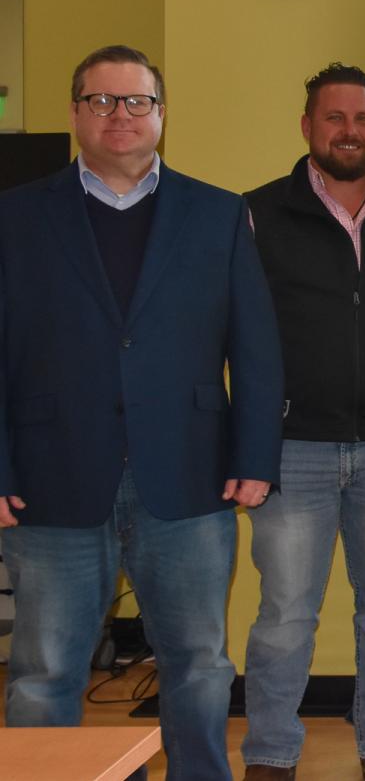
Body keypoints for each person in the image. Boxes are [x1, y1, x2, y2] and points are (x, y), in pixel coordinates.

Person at [0, 45, 283, 780]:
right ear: (74, 113)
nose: (117, 115)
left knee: (197, 663)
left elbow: (254, 344)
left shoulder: (218, 213)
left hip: (187, 474)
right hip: (50, 475)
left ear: (161, 114)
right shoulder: (17, 216)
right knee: (43, 670)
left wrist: (255, 456)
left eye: (135, 102)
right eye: (100, 100)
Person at [240, 65, 365, 781]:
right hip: (291, 447)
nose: (349, 131)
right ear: (307, 126)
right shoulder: (258, 214)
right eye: (334, 117)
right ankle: (271, 754)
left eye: (362, 118)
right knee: (286, 613)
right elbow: (231, 331)